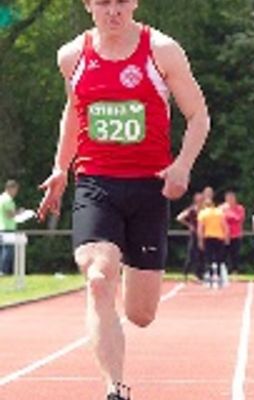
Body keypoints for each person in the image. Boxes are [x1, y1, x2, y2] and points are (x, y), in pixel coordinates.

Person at [37, 1, 210, 399]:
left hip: (150, 187)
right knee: (98, 277)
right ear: (88, 5)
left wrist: (182, 165)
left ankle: (134, 276)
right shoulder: (72, 56)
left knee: (141, 314)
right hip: (97, 182)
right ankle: (116, 388)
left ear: (134, 3)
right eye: (103, 2)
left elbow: (198, 115)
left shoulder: (162, 50)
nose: (113, 10)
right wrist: (62, 167)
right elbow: (74, 110)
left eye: (121, 1)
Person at [197, 198, 229, 287]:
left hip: (208, 237)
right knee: (219, 258)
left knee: (208, 258)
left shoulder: (202, 213)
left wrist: (200, 240)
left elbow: (200, 228)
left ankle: (210, 276)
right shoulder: (219, 212)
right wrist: (226, 237)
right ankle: (218, 276)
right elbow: (225, 226)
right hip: (219, 237)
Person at [177, 192, 205, 281]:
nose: (200, 201)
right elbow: (179, 217)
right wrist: (189, 225)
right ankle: (185, 273)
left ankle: (199, 274)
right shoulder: (192, 209)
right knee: (191, 253)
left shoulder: (205, 210)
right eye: (199, 199)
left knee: (202, 255)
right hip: (194, 234)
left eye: (202, 199)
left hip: (203, 234)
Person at [220, 191, 246, 275]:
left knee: (235, 254)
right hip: (224, 235)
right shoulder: (222, 208)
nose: (231, 200)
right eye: (229, 198)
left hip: (236, 234)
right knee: (223, 254)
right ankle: (223, 271)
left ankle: (234, 271)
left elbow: (240, 220)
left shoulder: (240, 208)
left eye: (232, 198)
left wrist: (240, 231)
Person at [0, 180, 20, 275]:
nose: (16, 192)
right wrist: (20, 213)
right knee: (7, 251)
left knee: (3, 250)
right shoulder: (7, 200)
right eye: (15, 190)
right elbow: (9, 214)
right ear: (10, 188)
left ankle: (2, 270)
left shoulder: (1, 198)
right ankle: (3, 271)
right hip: (7, 228)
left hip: (2, 227)